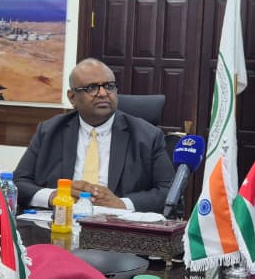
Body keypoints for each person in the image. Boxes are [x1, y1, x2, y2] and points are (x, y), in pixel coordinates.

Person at [12, 58, 173, 213]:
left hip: (116, 225)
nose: (103, 93)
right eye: (91, 88)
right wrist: (54, 196)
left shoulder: (147, 136)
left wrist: (122, 204)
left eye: (109, 86)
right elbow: (18, 182)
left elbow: (169, 192)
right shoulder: (49, 131)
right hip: (61, 221)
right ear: (72, 97)